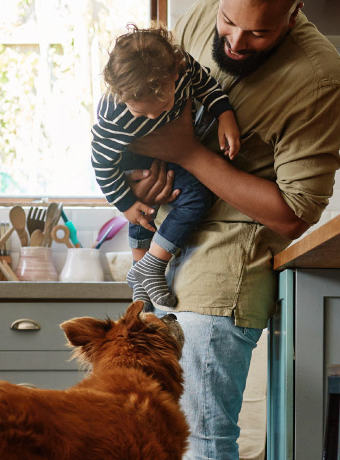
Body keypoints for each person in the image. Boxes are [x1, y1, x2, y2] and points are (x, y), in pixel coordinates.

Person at [118, 0, 340, 458]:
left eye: (260, 34)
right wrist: (134, 183)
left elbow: (294, 214)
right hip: (161, 254)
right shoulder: (198, 16)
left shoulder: (318, 79)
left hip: (224, 265)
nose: (237, 42)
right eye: (229, 22)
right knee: (159, 434)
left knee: (200, 438)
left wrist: (186, 154)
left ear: (294, 9)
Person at [91, 24, 242, 311]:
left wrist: (224, 114)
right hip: (130, 161)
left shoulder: (184, 69)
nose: (150, 116)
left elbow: (207, 86)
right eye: (140, 111)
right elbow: (100, 162)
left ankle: (149, 265)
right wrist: (125, 203)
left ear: (175, 74)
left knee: (197, 199)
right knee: (142, 212)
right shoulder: (115, 117)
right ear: (121, 95)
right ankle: (141, 277)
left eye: (161, 105)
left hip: (171, 150)